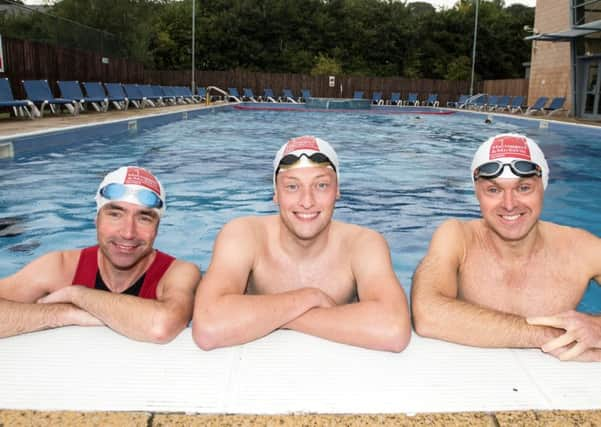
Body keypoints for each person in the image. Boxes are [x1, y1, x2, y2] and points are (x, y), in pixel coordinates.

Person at [192, 135, 411, 352]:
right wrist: (309, 297)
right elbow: (209, 327)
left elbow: (393, 329)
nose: (307, 201)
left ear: (337, 191)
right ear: (276, 193)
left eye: (321, 185)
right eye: (292, 187)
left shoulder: (363, 244)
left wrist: (276, 317)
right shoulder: (244, 235)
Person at [411, 133, 601, 362]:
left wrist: (597, 326)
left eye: (524, 188)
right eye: (493, 190)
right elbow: (426, 312)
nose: (509, 205)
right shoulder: (457, 237)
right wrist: (544, 335)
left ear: (544, 187)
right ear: (477, 193)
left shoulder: (582, 248)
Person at [0, 166, 200, 343]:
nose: (128, 233)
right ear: (96, 219)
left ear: (157, 227)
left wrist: (76, 294)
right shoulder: (59, 267)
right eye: (115, 214)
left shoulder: (178, 272)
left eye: (144, 218)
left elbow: (161, 327)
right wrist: (64, 313)